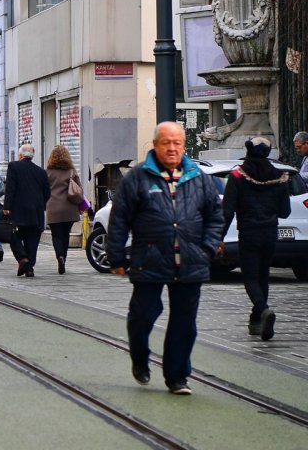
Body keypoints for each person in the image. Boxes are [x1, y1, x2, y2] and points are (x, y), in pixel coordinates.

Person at [108, 121, 223, 396]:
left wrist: (206, 249)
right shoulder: (137, 177)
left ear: (183, 146)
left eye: (177, 143)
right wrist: (116, 257)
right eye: (166, 143)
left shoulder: (199, 177)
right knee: (142, 316)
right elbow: (120, 218)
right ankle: (140, 356)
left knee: (184, 323)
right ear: (156, 145)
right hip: (149, 258)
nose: (172, 148)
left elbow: (215, 217)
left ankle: (177, 377)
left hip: (191, 261)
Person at [222, 137, 292, 341]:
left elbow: (227, 211)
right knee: (263, 275)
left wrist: (219, 238)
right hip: (270, 233)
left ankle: (263, 309)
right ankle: (256, 321)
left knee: (250, 277)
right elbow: (285, 212)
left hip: (248, 233)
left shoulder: (237, 175)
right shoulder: (279, 177)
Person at [3, 144, 51, 278]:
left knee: (13, 236)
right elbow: (47, 193)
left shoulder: (14, 166)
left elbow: (10, 188)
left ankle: (23, 259)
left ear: (20, 155)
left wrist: (7, 207)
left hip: (18, 210)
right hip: (36, 212)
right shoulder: (41, 171)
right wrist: (40, 205)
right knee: (33, 240)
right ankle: (29, 269)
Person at [45, 145, 83, 275]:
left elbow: (44, 190)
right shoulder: (71, 171)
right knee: (65, 235)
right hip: (69, 208)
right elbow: (79, 188)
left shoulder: (48, 171)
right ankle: (64, 258)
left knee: (56, 235)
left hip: (53, 207)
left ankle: (59, 256)